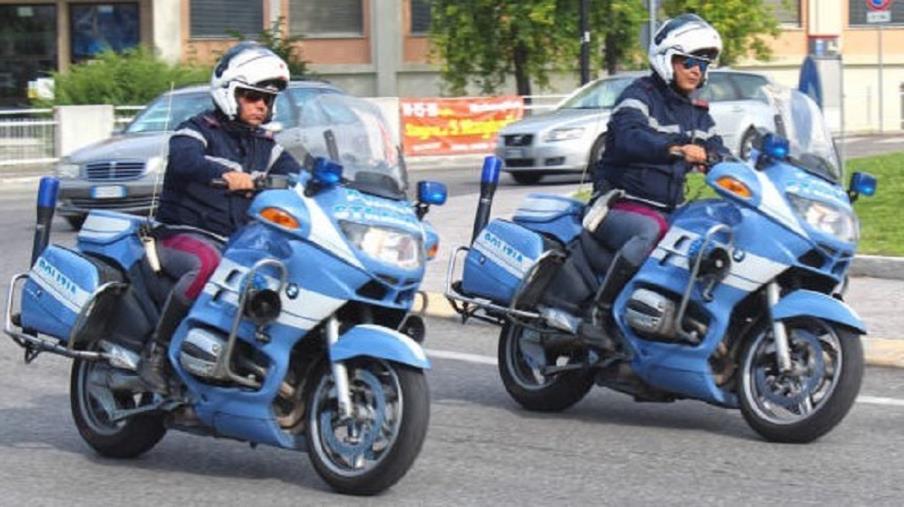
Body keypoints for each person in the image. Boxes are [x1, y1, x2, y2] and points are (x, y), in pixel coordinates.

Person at [541, 13, 730, 331]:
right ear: (667, 60)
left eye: (704, 65)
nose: (698, 71)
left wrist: (728, 162)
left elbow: (720, 150)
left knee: (711, 231)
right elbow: (630, 137)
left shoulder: (697, 113)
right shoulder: (637, 96)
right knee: (650, 231)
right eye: (689, 62)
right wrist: (677, 148)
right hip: (616, 202)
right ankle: (601, 312)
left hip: (667, 207)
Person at [138, 42, 303, 393]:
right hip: (182, 234)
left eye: (267, 100)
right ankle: (157, 351)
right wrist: (226, 174)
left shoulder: (266, 145)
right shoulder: (196, 130)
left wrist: (336, 185)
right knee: (208, 266)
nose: (261, 106)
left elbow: (300, 176)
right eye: (252, 96)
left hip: (238, 241)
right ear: (229, 93)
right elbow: (186, 160)